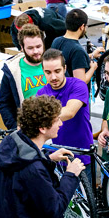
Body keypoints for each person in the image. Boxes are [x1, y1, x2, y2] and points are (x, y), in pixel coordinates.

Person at [0, 95, 85, 218]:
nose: (61, 123)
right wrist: (70, 175)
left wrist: (47, 159)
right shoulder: (33, 170)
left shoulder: (12, 142)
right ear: (42, 128)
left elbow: (22, 179)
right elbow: (54, 208)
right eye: (56, 120)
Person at [37, 49, 93, 178]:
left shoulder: (78, 85)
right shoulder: (41, 94)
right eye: (48, 72)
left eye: (57, 71)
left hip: (82, 154)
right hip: (58, 156)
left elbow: (69, 112)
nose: (54, 77)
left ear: (64, 68)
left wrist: (40, 115)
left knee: (86, 197)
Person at [0, 24, 47, 129]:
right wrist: (14, 129)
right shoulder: (13, 70)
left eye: (38, 46)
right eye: (30, 48)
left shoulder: (53, 63)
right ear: (21, 47)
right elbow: (4, 104)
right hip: (29, 129)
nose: (36, 52)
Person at [51, 9, 98, 83]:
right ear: (82, 27)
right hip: (74, 93)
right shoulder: (77, 50)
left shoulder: (56, 41)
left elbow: (70, 60)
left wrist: (91, 55)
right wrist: (93, 68)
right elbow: (81, 81)